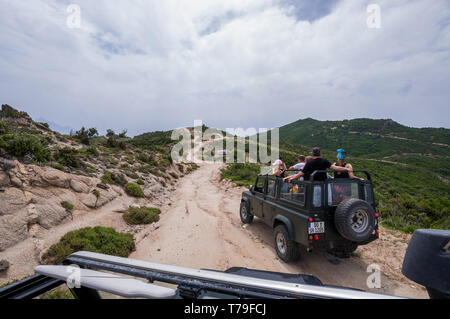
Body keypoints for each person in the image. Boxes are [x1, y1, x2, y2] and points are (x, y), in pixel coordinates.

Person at [284, 147, 348, 182]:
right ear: (320, 154)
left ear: (312, 154)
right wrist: (346, 169)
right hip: (324, 185)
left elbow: (300, 174)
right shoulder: (324, 161)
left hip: (314, 185)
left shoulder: (309, 163)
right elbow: (335, 168)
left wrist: (290, 177)